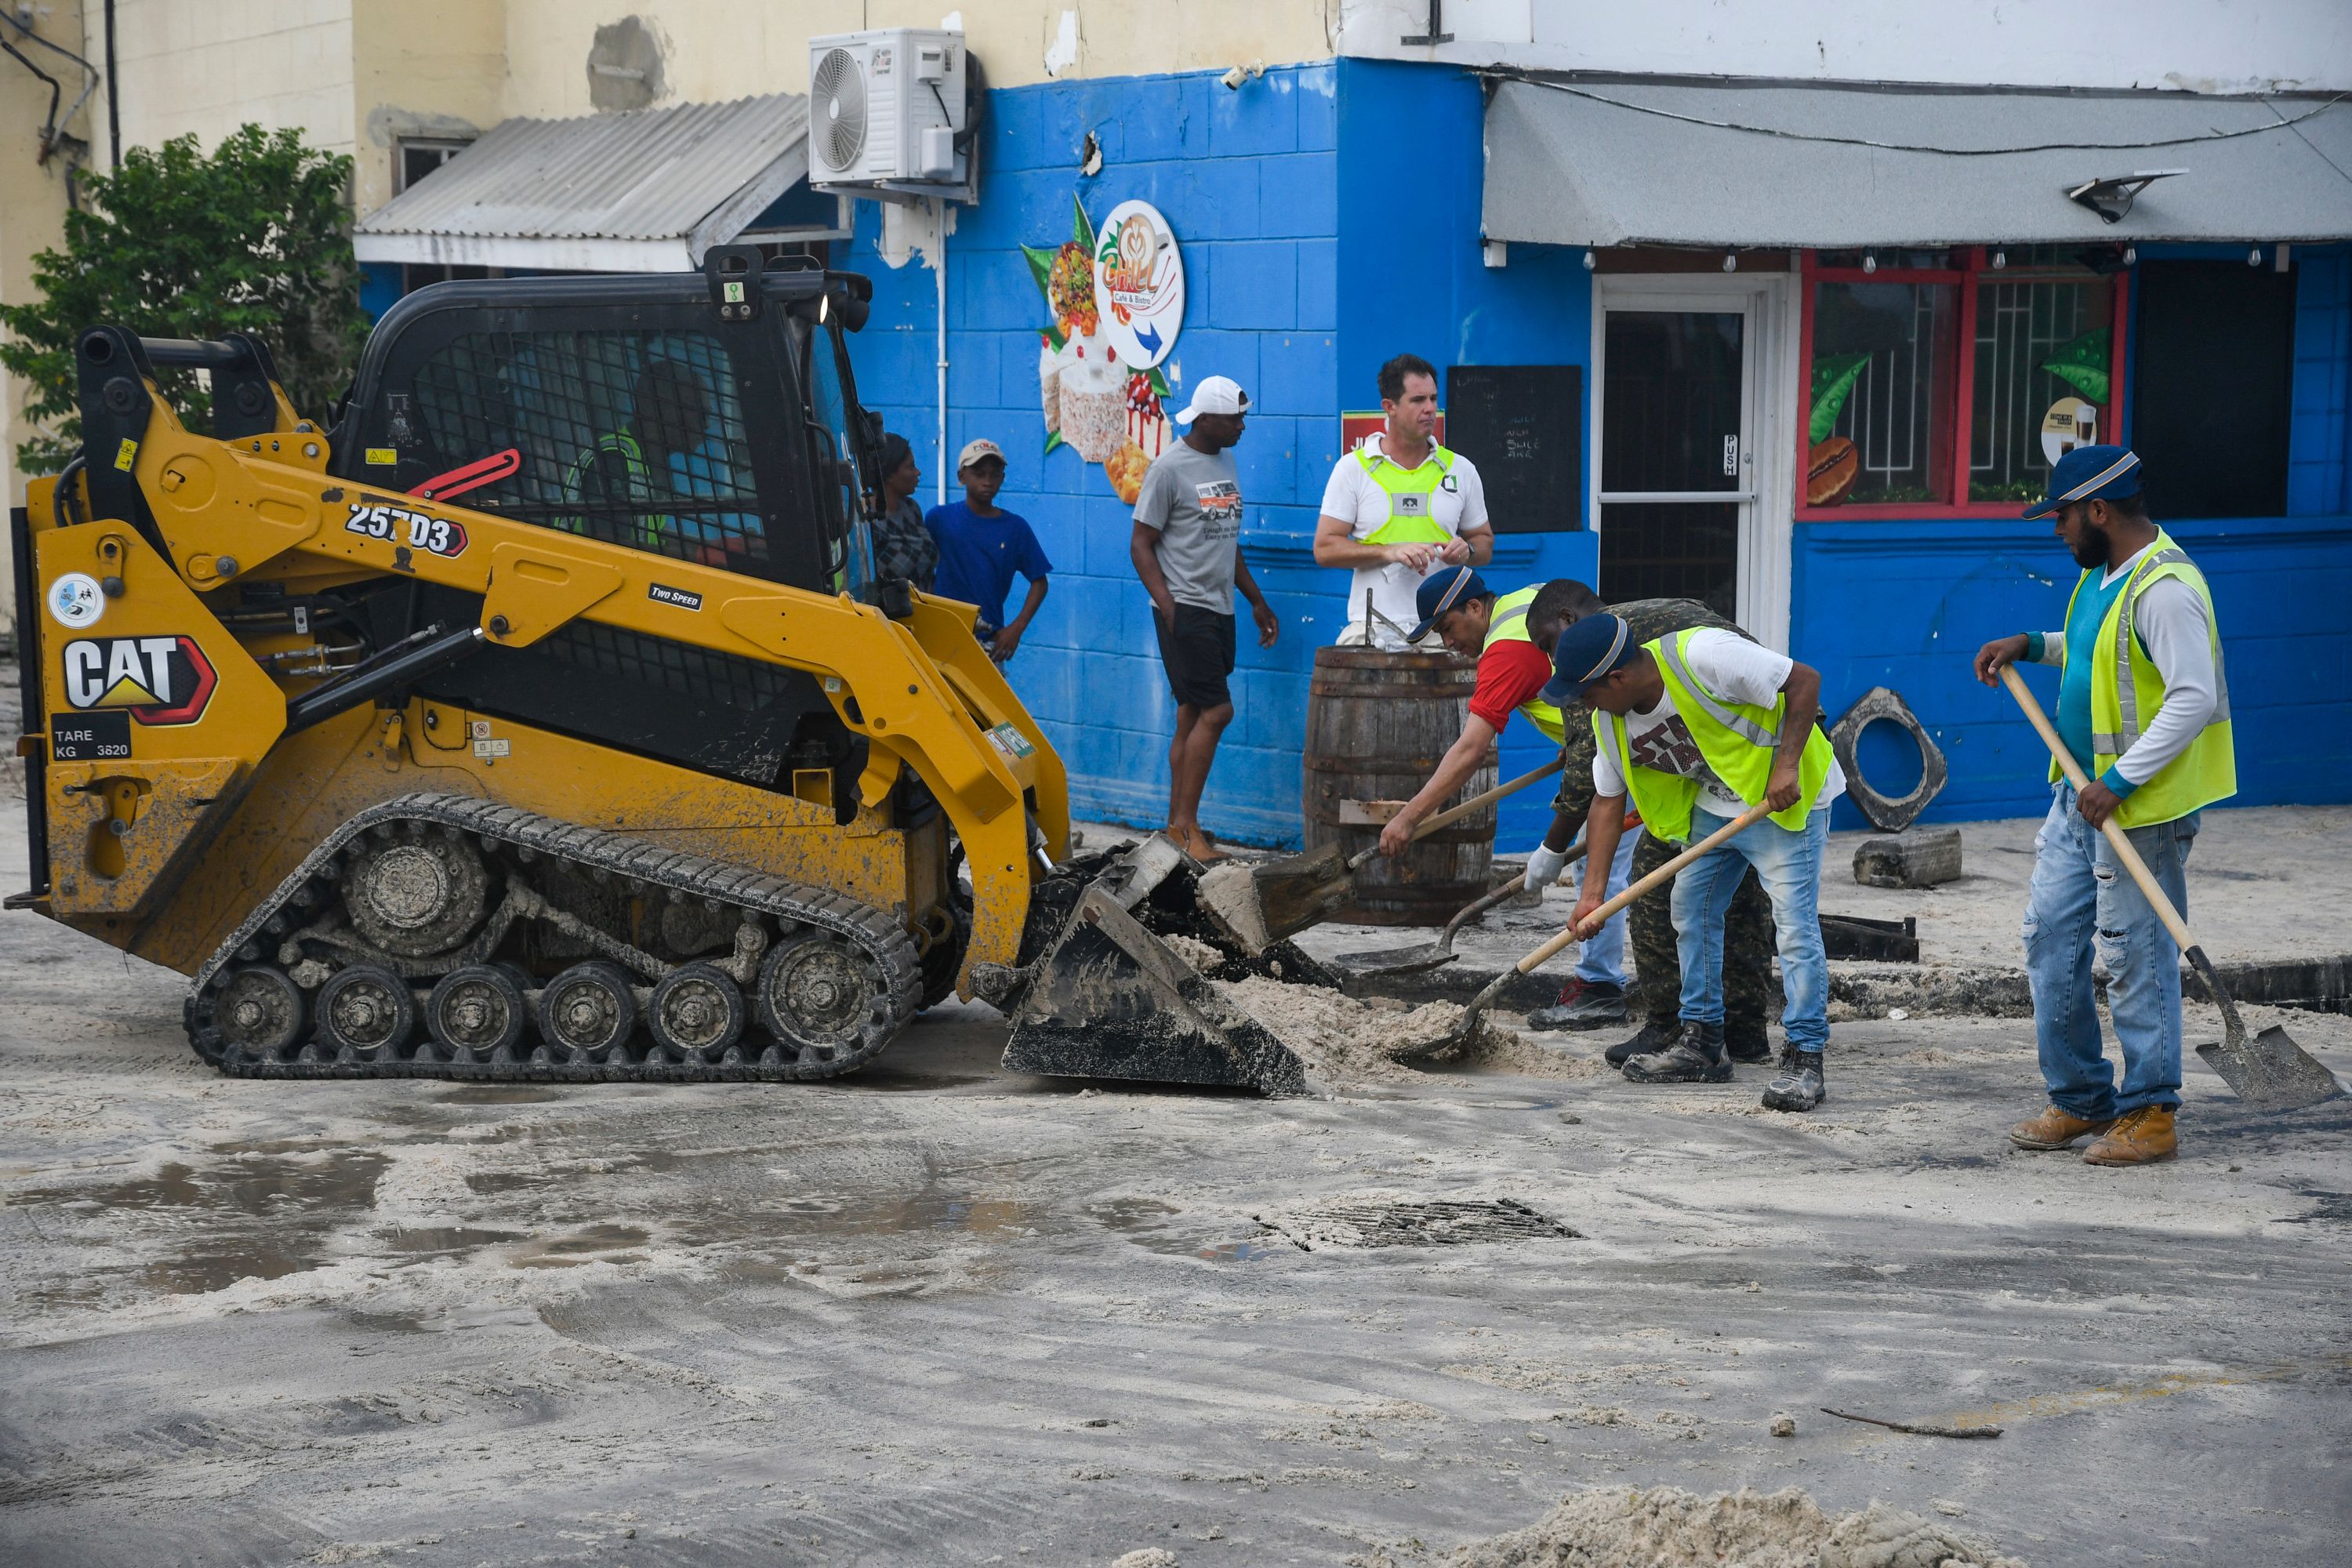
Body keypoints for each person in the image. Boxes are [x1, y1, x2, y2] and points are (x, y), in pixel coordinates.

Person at [1973, 446, 2234, 1168]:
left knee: (2133, 956)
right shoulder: (2100, 578)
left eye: (2059, 515)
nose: (2055, 530)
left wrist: (2118, 782)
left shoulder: (2167, 588)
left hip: (2137, 808)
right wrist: (2031, 644)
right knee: (2049, 940)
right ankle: (2081, 1098)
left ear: (2098, 510)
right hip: (2077, 794)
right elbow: (2102, 656)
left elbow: (2191, 696)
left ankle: (2152, 1109)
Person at [1549, 611, 1843, 1112]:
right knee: (1690, 909)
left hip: (1784, 803)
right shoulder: (1610, 719)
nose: (1584, 706)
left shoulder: (1704, 655)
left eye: (1587, 693)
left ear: (1617, 679)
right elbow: (1606, 800)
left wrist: (1787, 764)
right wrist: (1592, 897)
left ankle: (1805, 1056)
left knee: (1793, 925)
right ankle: (1703, 1040)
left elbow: (1804, 681)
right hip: (1714, 806)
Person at [1373, 568, 1638, 1030]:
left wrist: (1409, 818)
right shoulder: (1530, 600)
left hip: (1624, 752)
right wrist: (1572, 734)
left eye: (1447, 628)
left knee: (1600, 866)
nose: (1447, 643)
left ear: (1475, 607)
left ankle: (1599, 989)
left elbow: (1472, 747)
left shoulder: (1503, 653)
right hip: (1614, 738)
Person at [1526, 582, 1779, 1057]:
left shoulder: (1603, 656)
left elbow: (1585, 777)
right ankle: (1712, 1031)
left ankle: (1706, 1030)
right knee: (1695, 900)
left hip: (1757, 773)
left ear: (1570, 620)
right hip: (1699, 790)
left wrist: (1552, 848)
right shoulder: (1634, 635)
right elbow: (1604, 787)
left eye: (1547, 644)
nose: (1551, 660)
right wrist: (1592, 894)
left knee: (1718, 905)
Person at [1130, 375, 1280, 863]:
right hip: (1185, 608)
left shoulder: (1226, 460)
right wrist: (1171, 608)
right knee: (1218, 711)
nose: (1242, 426)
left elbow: (1226, 541)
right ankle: (1186, 826)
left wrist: (1255, 600)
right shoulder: (1168, 469)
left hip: (1220, 606)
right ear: (1208, 419)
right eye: (1235, 418)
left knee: (1192, 712)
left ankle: (1177, 828)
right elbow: (1140, 545)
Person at [1314, 354, 1493, 648]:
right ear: (1390, 407)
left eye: (1434, 399)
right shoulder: (1353, 469)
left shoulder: (1461, 469)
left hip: (1445, 629)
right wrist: (1389, 552)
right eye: (1418, 400)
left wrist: (1469, 549)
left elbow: (1484, 544)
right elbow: (1324, 549)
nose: (1430, 409)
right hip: (1371, 627)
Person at [562, 360, 714, 554]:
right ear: (666, 410)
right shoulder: (614, 459)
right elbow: (607, 544)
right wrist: (701, 556)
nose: (707, 425)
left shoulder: (650, 460)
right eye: (701, 414)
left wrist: (715, 549)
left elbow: (652, 537)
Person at [928, 438, 1051, 663]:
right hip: (940, 638)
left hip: (987, 644)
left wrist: (1017, 627)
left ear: (1002, 479)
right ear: (961, 476)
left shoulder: (1015, 528)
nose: (987, 481)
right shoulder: (939, 519)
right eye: (979, 473)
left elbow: (1040, 582)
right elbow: (921, 569)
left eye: (995, 474)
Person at [869, 433, 938, 593]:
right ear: (890, 474)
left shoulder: (911, 509)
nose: (918, 472)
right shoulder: (865, 519)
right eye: (911, 466)